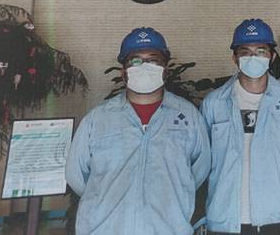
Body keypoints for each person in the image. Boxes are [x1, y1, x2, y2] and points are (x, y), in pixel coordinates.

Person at [65, 28, 211, 235]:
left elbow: (198, 171)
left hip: (167, 229)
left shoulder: (188, 116)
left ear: (165, 69)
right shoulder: (98, 119)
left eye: (153, 60)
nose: (144, 67)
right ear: (123, 71)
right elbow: (77, 177)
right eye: (135, 61)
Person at [201, 18, 280, 235]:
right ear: (235, 58)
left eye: (260, 51)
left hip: (275, 216)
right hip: (225, 218)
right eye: (245, 52)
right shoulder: (214, 103)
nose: (253, 58)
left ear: (272, 56)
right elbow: (203, 161)